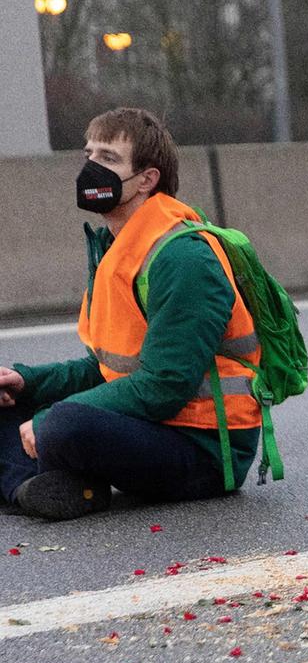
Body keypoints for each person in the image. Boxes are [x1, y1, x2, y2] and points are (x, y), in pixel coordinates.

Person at [0, 108, 261, 520]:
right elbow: (107, 369)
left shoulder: (184, 258)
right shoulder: (116, 248)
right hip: (148, 429)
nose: (91, 168)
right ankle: (34, 488)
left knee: (65, 424)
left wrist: (51, 418)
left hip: (204, 449)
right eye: (89, 155)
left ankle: (30, 479)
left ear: (147, 179)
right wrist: (28, 381)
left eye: (108, 158)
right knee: (7, 399)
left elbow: (164, 385)